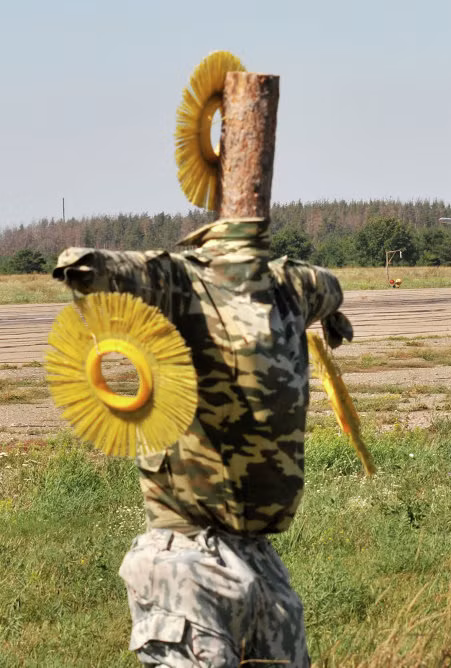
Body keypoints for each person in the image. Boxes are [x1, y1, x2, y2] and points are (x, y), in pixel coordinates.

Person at [53, 216, 351, 667]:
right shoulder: (183, 283)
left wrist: (332, 314)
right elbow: (112, 270)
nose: (244, 270)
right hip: (186, 555)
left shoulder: (289, 288)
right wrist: (86, 267)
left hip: (258, 556)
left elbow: (329, 286)